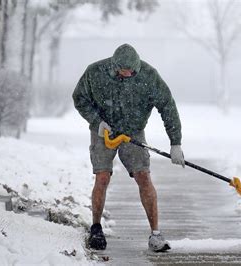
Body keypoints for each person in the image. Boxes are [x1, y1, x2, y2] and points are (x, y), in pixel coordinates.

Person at [72, 43, 184, 252]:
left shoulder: (149, 76)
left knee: (143, 177)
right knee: (102, 177)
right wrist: (97, 122)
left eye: (133, 70)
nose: (130, 73)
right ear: (115, 66)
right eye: (125, 70)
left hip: (133, 132)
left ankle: (156, 234)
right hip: (103, 131)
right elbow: (79, 99)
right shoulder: (95, 72)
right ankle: (96, 228)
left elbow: (167, 106)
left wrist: (175, 143)